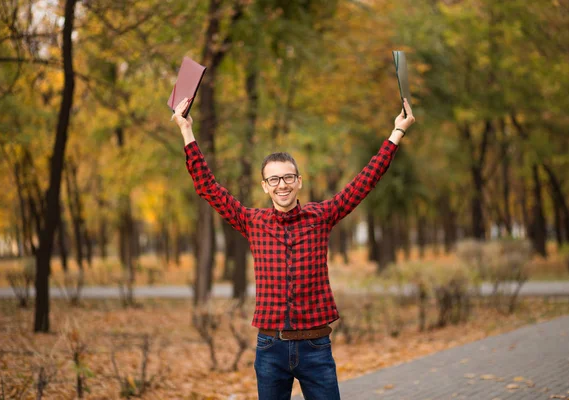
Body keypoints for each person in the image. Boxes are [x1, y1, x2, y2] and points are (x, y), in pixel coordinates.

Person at [172, 97, 415, 400]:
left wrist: (397, 133)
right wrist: (186, 130)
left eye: (288, 177)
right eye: (273, 179)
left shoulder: (321, 216)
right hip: (270, 348)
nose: (281, 185)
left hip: (316, 347)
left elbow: (364, 181)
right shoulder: (252, 221)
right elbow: (207, 185)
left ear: (299, 181)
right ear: (264, 186)